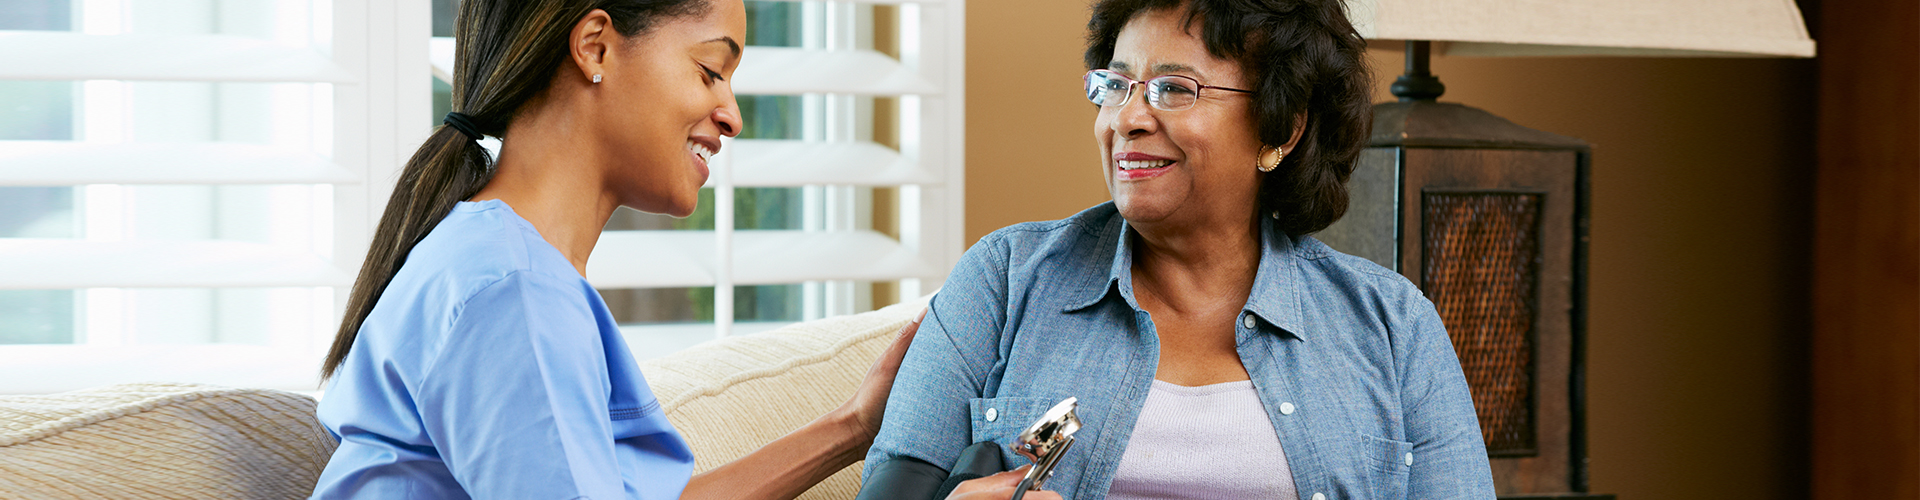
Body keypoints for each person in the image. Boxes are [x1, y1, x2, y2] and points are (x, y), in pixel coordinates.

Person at [308, 1, 1058, 499]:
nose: (730, 114)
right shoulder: (511, 292)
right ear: (595, 47)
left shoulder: (512, 269)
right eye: (711, 70)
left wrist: (852, 427)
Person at [860, 0, 1497, 498]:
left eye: (1174, 89)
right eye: (1114, 84)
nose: (1126, 119)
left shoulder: (1394, 326)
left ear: (1282, 128)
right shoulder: (1004, 278)